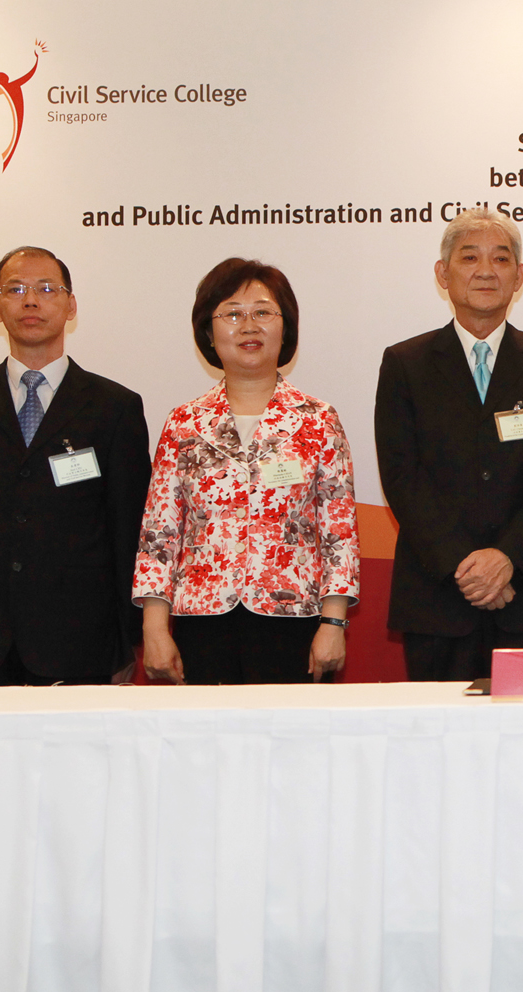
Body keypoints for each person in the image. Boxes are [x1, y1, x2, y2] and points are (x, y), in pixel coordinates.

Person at [0, 246, 150, 687]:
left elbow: (128, 531)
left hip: (82, 639)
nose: (31, 301)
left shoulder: (114, 407)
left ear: (70, 305)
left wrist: (127, 639)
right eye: (16, 290)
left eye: (46, 289)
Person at [374, 207, 523, 680]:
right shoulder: (406, 364)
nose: (486, 271)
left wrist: (508, 559)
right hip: (439, 595)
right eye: (470, 257)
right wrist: (467, 569)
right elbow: (402, 475)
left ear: (519, 277)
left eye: (501, 258)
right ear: (443, 273)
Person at [134, 258, 358, 684]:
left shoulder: (318, 420)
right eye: (232, 314)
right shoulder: (184, 423)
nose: (249, 326)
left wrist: (333, 624)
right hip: (202, 620)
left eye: (263, 312)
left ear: (285, 328)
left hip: (294, 618)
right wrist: (155, 629)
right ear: (208, 332)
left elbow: (339, 532)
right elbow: (159, 534)